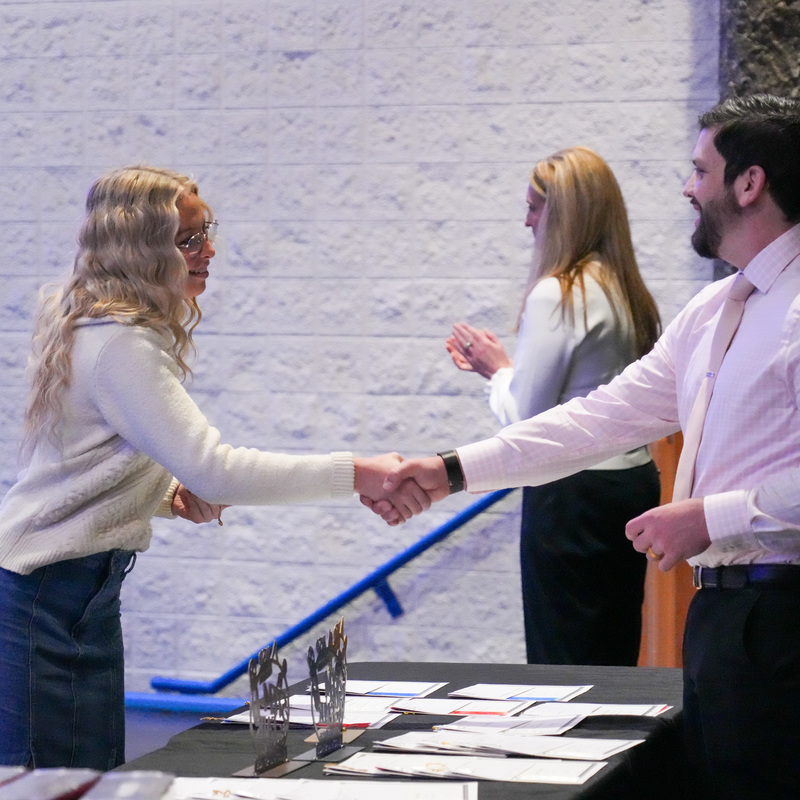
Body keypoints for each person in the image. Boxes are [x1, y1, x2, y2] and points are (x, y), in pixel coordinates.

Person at [377, 94, 800, 798]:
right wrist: (451, 469)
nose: (687, 188)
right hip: (723, 616)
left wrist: (711, 515)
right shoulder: (713, 308)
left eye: (700, 170)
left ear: (748, 183)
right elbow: (594, 420)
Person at [0, 165, 429, 770]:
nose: (209, 251)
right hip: (50, 593)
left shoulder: (103, 326)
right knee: (60, 781)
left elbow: (88, 463)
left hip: (74, 590)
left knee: (83, 775)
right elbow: (217, 470)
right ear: (143, 249)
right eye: (189, 239)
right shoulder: (120, 341)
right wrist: (358, 471)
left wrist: (165, 492)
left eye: (207, 232)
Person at [444, 147, 661, 666]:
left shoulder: (558, 293)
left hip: (572, 492)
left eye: (535, 208)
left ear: (565, 213)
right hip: (630, 483)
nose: (526, 221)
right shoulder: (626, 289)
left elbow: (528, 423)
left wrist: (495, 370)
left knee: (562, 661)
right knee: (612, 655)